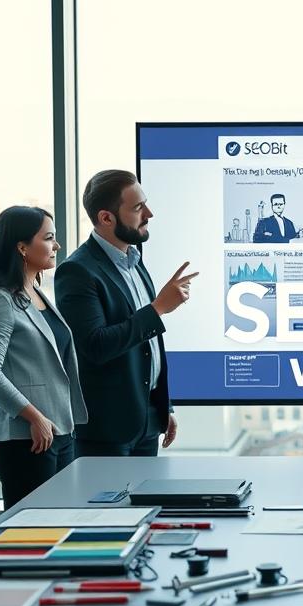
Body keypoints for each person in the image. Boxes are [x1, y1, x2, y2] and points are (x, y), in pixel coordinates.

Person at [56, 169, 196, 457]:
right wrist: (157, 309)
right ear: (106, 218)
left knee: (144, 504)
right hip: (107, 430)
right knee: (108, 504)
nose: (149, 213)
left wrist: (162, 406)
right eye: (137, 207)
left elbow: (147, 346)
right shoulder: (77, 271)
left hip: (146, 420)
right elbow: (95, 345)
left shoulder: (134, 261)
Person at [0, 206, 88, 508]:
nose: (57, 246)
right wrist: (33, 416)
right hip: (27, 438)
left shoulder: (37, 293)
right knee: (31, 532)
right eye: (49, 238)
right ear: (22, 248)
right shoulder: (0, 299)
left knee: (62, 524)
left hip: (60, 430)